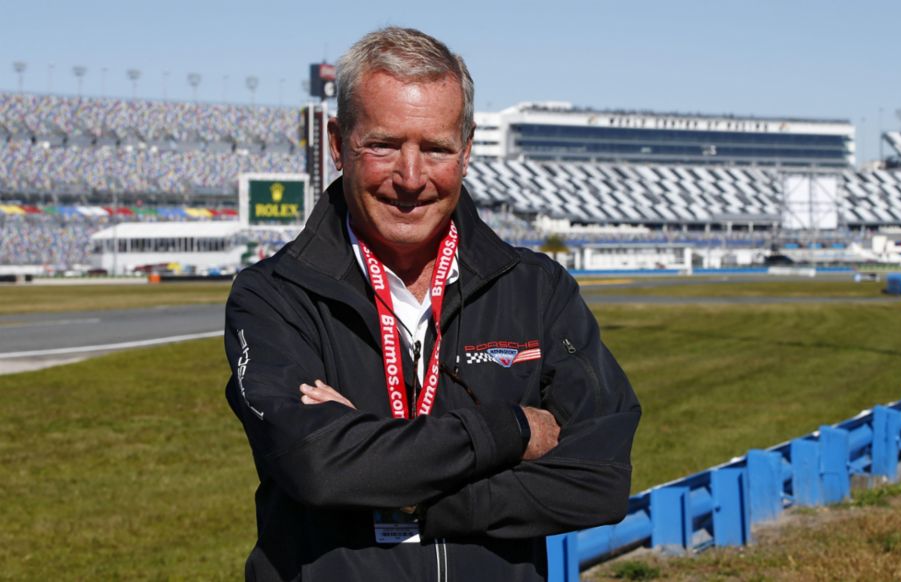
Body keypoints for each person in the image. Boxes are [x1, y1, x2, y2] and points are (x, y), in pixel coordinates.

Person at [224, 27, 640, 581]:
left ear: (466, 151)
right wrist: (511, 431)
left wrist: (419, 498)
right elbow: (317, 466)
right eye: (384, 145)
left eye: (436, 148)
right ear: (337, 142)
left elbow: (601, 480)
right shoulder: (273, 296)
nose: (411, 178)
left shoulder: (536, 289)